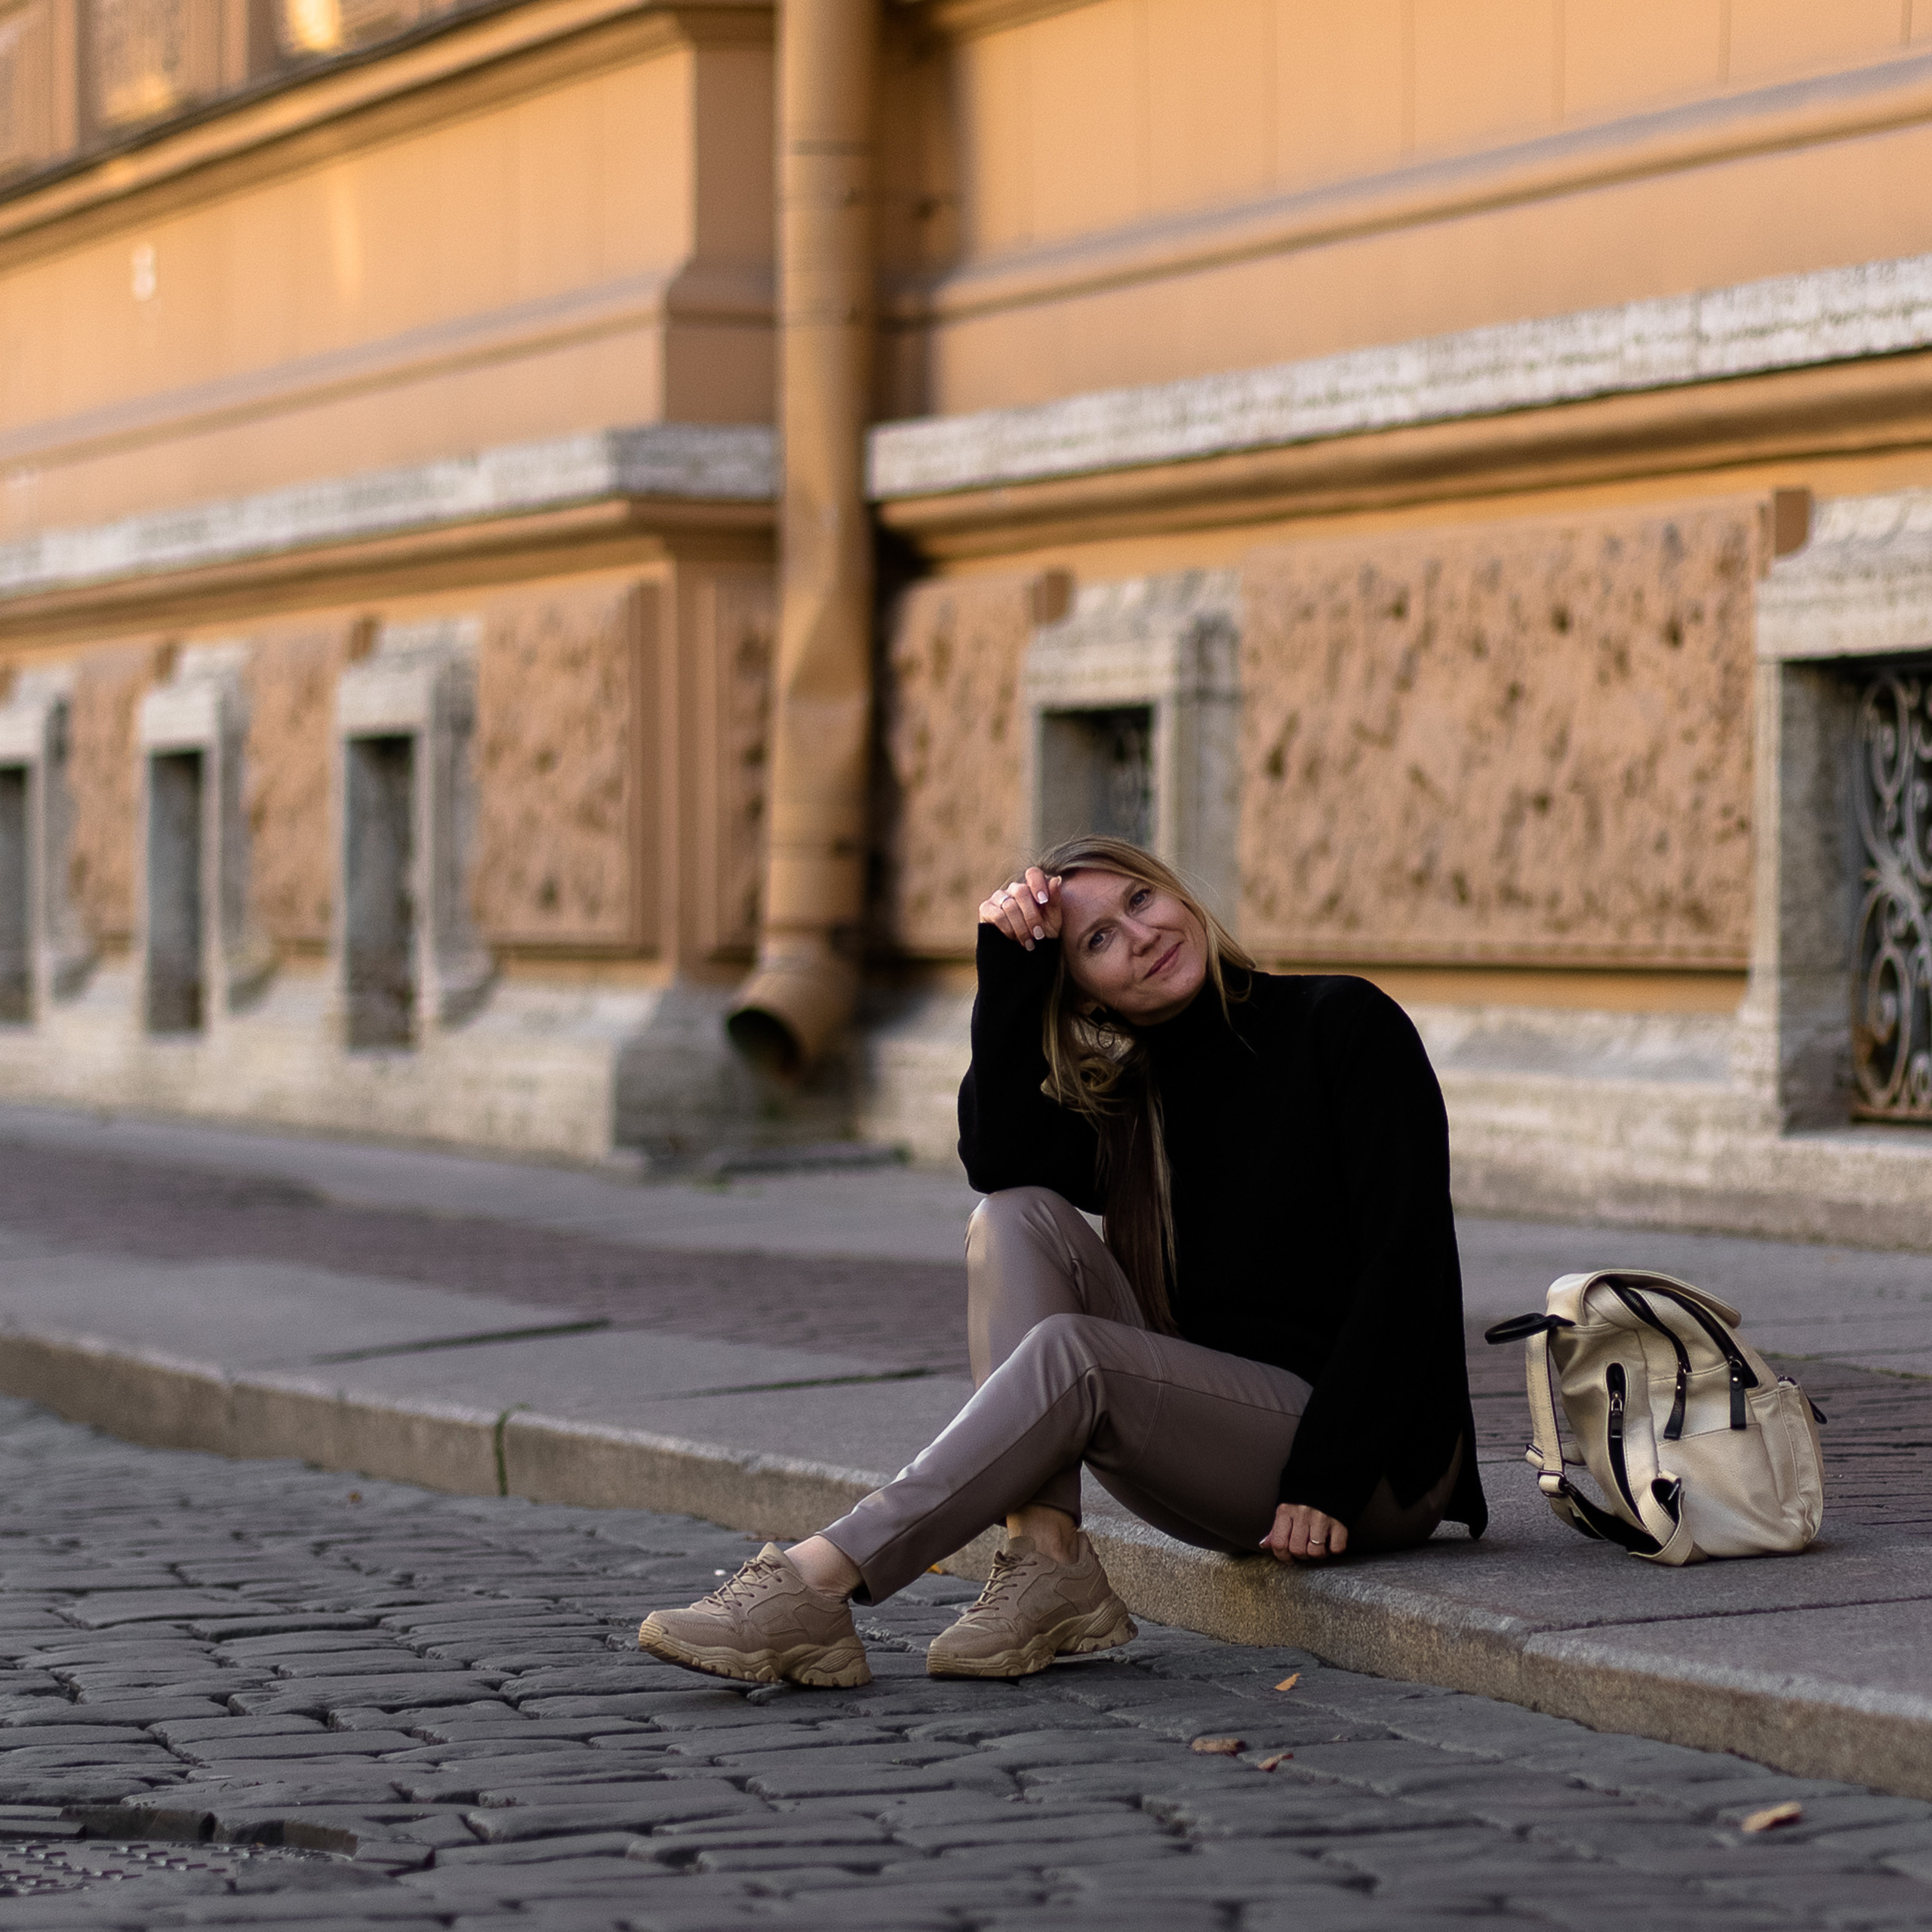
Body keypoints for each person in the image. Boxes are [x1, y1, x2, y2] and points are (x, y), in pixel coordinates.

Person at [636, 835, 1486, 1688]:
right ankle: (1045, 1559)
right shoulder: (1131, 1098)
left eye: (1140, 903)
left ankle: (820, 1577)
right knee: (1011, 1218)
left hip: (1371, 1468)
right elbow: (997, 1156)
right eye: (1098, 942)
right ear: (1085, 994)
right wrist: (1006, 968)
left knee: (1076, 1353)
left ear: (1179, 898)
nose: (1140, 934)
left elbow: (1407, 1262)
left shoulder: (1340, 1022)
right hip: (1217, 1439)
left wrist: (1327, 1475)